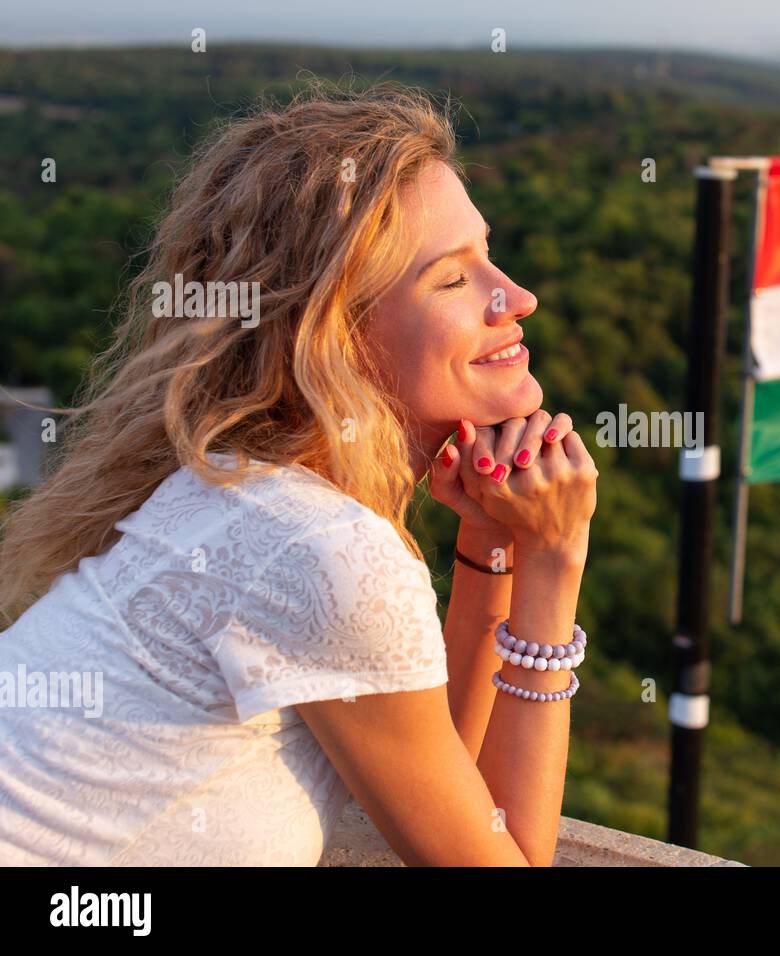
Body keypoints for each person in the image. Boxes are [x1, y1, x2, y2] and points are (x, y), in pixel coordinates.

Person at [0, 83, 597, 866]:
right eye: (453, 279)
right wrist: (553, 564)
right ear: (334, 337)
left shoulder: (228, 484)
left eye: (489, 256)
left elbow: (430, 776)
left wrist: (492, 548)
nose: (517, 297)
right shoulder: (321, 547)